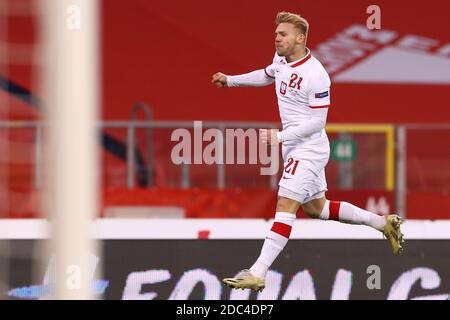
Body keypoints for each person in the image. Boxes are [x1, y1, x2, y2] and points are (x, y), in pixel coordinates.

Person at [211, 11, 404, 293]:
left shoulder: (317, 75)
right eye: (276, 34)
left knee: (285, 204)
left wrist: (279, 136)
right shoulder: (281, 60)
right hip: (294, 147)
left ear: (300, 38)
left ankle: (257, 272)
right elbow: (267, 75)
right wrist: (231, 80)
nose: (277, 38)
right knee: (317, 208)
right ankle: (381, 222)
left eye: (283, 34)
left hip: (309, 149)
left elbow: (318, 123)